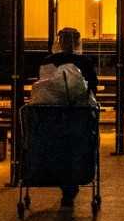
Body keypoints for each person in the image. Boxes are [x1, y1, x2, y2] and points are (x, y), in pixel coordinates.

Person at [32, 28, 99, 207]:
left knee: (57, 147)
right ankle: (73, 181)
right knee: (77, 147)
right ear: (77, 42)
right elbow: (92, 86)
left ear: (58, 42)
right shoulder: (84, 61)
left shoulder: (48, 61)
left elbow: (42, 85)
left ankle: (61, 182)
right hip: (78, 114)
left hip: (51, 117)